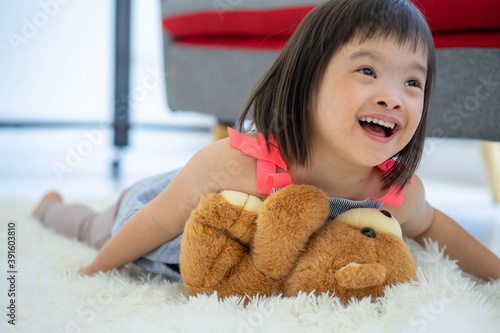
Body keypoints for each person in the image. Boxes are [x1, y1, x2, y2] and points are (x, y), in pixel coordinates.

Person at [34, 0, 500, 281]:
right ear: (308, 82)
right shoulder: (236, 166)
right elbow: (157, 218)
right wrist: (92, 275)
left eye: (413, 84)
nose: (393, 98)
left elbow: (438, 228)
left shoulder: (395, 193)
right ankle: (49, 207)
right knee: (93, 226)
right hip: (158, 219)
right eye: (367, 71)